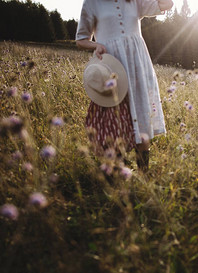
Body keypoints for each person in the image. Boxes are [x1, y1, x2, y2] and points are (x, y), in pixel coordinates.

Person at [76, 0, 174, 171]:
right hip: (112, 68)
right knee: (116, 123)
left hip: (137, 65)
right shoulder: (92, 3)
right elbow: (81, 39)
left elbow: (167, 4)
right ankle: (115, 175)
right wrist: (96, 45)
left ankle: (144, 177)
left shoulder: (134, 1)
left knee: (142, 118)